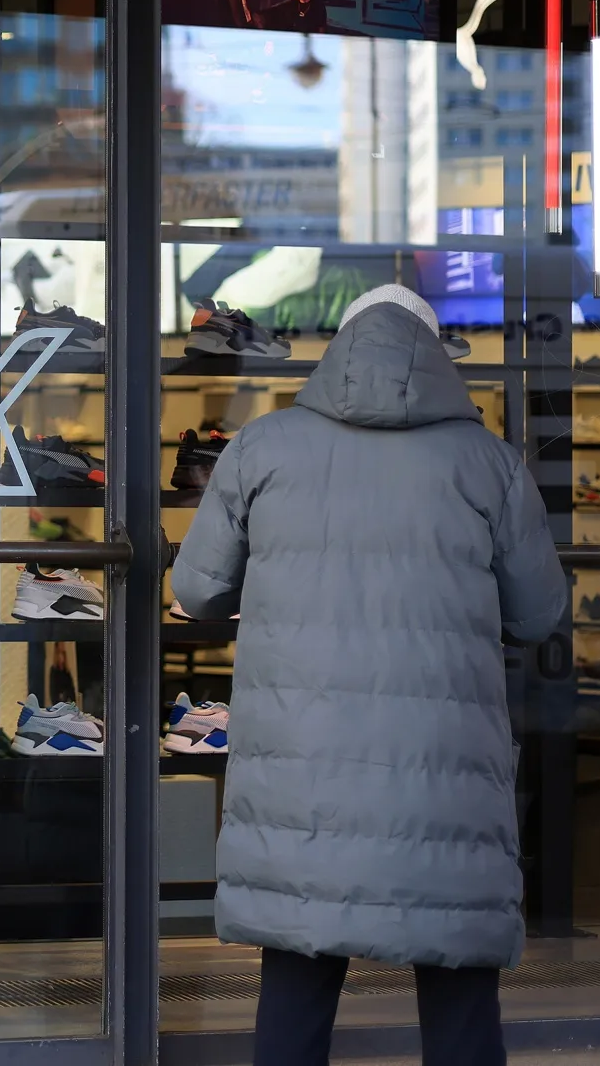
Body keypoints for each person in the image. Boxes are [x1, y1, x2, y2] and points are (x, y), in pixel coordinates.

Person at [171, 285, 564, 1066]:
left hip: (303, 780)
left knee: (297, 973)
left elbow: (195, 590)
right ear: (436, 357)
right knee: (457, 982)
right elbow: (537, 613)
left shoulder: (263, 447)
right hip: (442, 775)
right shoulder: (487, 461)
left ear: (337, 354)